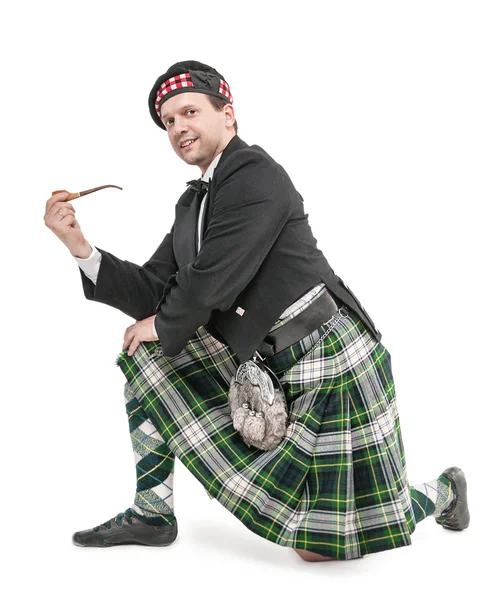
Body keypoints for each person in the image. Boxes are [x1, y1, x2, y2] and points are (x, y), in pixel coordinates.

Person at [44, 60, 470, 561]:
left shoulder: (254, 173)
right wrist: (79, 247)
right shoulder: (193, 205)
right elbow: (159, 288)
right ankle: (153, 512)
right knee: (147, 353)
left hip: (331, 357)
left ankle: (445, 491)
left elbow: (210, 280)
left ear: (228, 115)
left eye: (188, 112)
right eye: (168, 122)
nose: (178, 127)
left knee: (326, 548)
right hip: (270, 364)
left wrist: (161, 322)